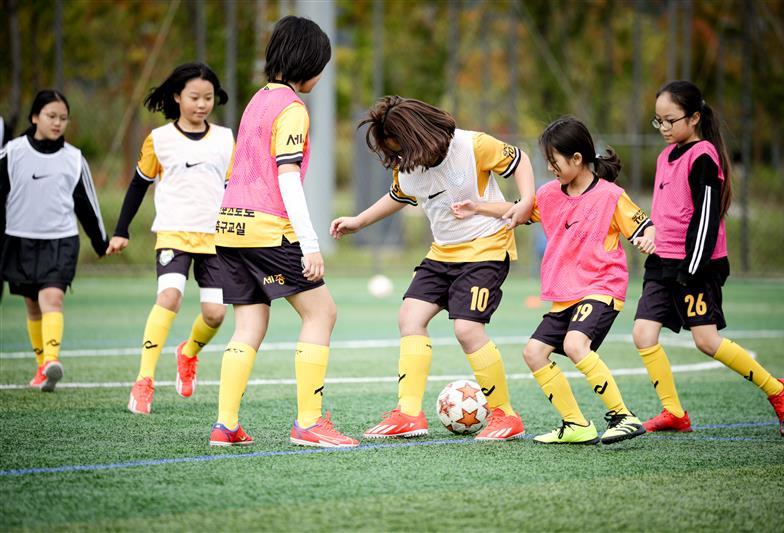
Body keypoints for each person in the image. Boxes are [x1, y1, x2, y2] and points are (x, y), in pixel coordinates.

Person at [331, 96, 536, 441]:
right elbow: (398, 195)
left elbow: (520, 160)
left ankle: (505, 415)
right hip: (442, 253)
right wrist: (359, 221)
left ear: (417, 136)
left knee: (467, 330)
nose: (397, 158)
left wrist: (526, 200)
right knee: (410, 317)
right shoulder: (407, 165)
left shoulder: (473, 146)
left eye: (399, 149)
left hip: (485, 247)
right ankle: (409, 414)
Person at [454, 117, 653, 445]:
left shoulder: (610, 196)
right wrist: (478, 207)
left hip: (601, 287)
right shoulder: (548, 195)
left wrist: (649, 238)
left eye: (553, 161)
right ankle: (576, 424)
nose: (549, 168)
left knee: (575, 345)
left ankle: (624, 416)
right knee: (534, 353)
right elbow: (517, 208)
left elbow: (645, 226)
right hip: (565, 295)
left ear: (577, 158)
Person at [209, 16, 358, 448]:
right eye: (321, 67)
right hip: (268, 229)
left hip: (230, 227)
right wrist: (310, 245)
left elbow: (234, 172)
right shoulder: (292, 108)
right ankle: (309, 423)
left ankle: (225, 424)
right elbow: (288, 177)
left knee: (249, 325)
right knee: (321, 313)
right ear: (308, 63)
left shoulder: (256, 101)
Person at [633, 80, 784, 436]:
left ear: (694, 118)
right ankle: (674, 412)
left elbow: (706, 218)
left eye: (670, 120)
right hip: (662, 264)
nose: (663, 128)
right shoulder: (664, 157)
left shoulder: (704, 156)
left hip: (696, 266)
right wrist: (652, 234)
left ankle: (779, 389)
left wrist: (692, 268)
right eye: (658, 121)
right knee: (643, 334)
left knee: (706, 341)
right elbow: (665, 212)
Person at [106, 63, 235, 415]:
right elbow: (138, 185)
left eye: (208, 97)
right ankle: (144, 380)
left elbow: (233, 190)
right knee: (170, 297)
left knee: (215, 315)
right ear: (177, 97)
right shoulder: (159, 139)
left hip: (214, 239)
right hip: (173, 234)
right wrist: (121, 230)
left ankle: (188, 352)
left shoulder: (225, 139)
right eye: (194, 97)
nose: (202, 104)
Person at [0, 89, 108, 392]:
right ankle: (41, 368)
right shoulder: (12, 153)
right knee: (33, 306)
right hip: (20, 239)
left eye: (63, 118)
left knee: (52, 298)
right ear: (35, 117)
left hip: (61, 241)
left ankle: (51, 361)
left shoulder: (73, 158)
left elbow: (87, 205)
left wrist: (101, 242)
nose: (58, 122)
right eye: (51, 116)